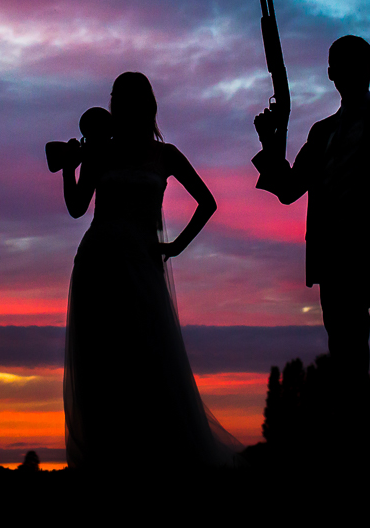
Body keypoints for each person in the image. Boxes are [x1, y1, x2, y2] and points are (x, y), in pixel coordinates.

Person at [59, 72, 239, 470]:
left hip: (141, 263)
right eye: (121, 99)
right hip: (98, 263)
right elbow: (76, 207)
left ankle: (150, 459)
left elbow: (207, 202)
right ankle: (109, 459)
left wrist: (176, 246)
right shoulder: (100, 151)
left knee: (148, 357)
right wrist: (70, 167)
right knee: (102, 362)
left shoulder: (165, 154)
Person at [252, 35, 370, 389]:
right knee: (347, 365)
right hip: (336, 265)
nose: (347, 72)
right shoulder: (321, 132)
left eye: (355, 64)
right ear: (331, 73)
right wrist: (269, 143)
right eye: (340, 65)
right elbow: (290, 189)